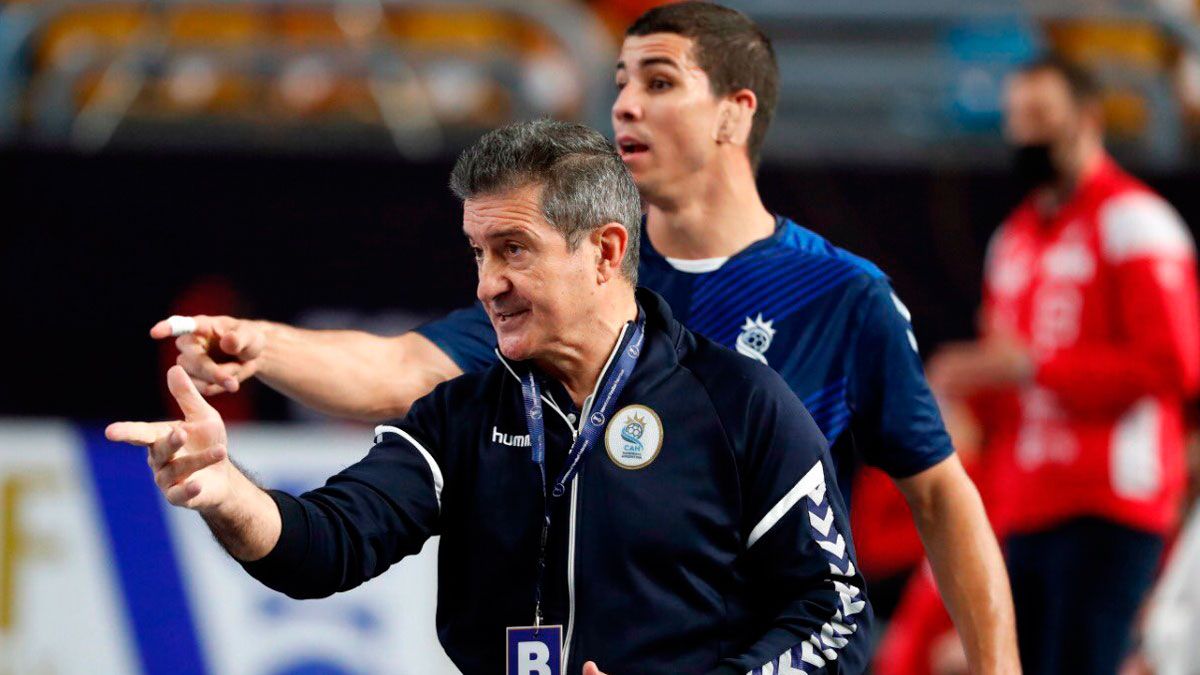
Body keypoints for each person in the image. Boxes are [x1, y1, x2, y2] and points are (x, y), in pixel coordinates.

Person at [154, 3, 1016, 670]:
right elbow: (402, 370)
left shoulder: (837, 299)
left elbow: (937, 501)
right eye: (618, 81)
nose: (625, 104)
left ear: (735, 113)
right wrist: (260, 347)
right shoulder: (548, 310)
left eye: (659, 81)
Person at [108, 120, 872, 675]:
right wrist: (226, 491)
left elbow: (833, 616)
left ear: (605, 251)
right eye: (478, 252)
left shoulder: (739, 403)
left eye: (514, 250)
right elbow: (324, 545)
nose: (486, 284)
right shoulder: (462, 415)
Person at [929, 54, 1200, 674]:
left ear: (1088, 119)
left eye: (1042, 117)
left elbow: (1173, 367)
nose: (1027, 134)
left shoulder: (1136, 221)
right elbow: (1006, 374)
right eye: (1017, 119)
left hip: (1112, 499)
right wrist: (965, 389)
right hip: (1028, 500)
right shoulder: (1015, 238)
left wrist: (1032, 368)